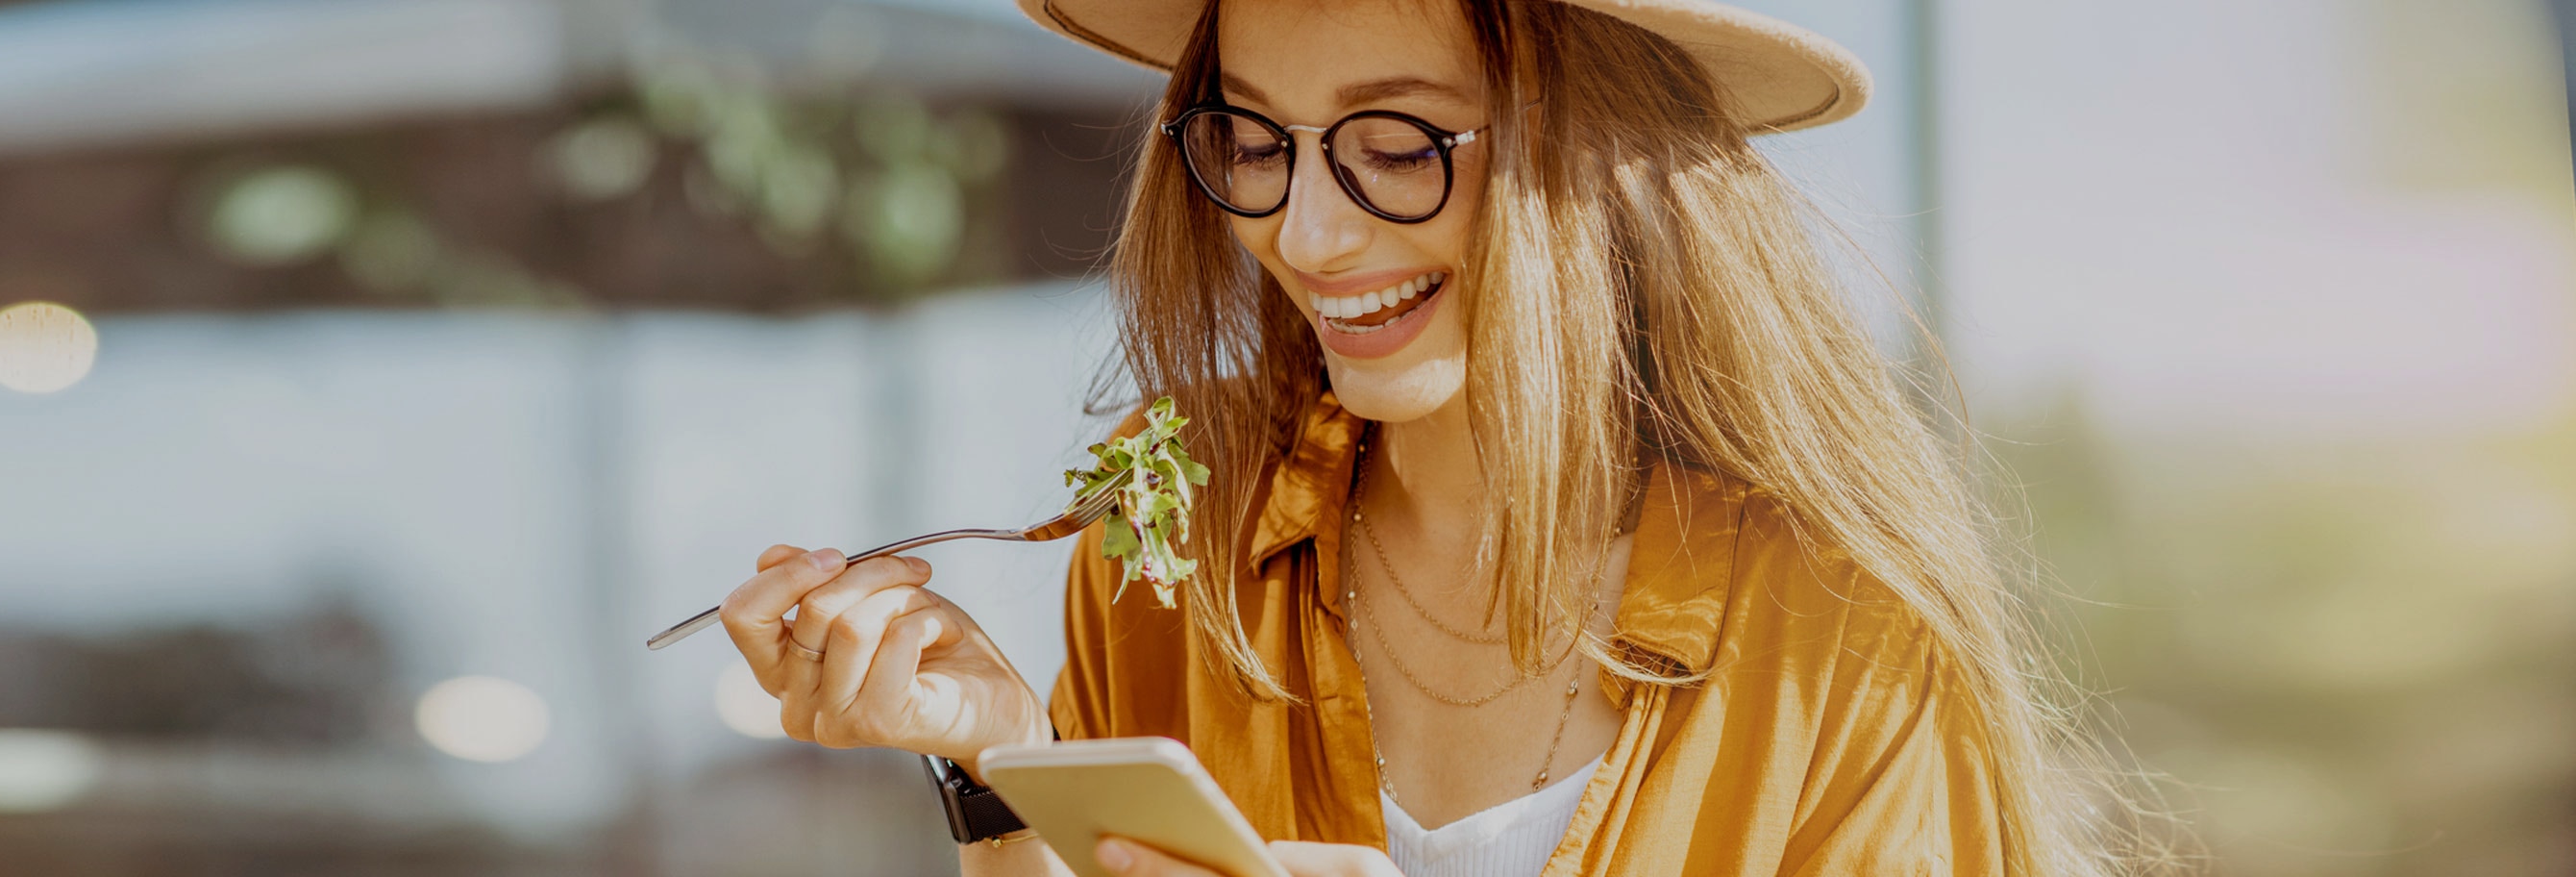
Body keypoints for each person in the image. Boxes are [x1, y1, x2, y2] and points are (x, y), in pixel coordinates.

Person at [720, 1, 2157, 874]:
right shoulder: (1171, 564)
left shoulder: (1841, 647)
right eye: (1256, 140)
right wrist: (998, 764)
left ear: (1595, 160)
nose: (1305, 230)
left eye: (1397, 145)